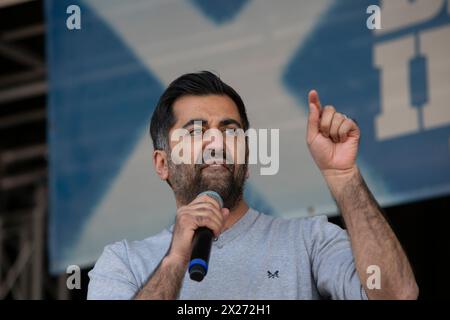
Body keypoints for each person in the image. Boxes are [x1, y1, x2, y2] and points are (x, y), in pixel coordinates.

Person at [87, 71, 418, 300]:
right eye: (196, 131)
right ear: (162, 164)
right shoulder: (123, 262)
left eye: (230, 130)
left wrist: (343, 176)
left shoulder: (308, 241)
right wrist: (175, 259)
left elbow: (397, 294)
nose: (216, 141)